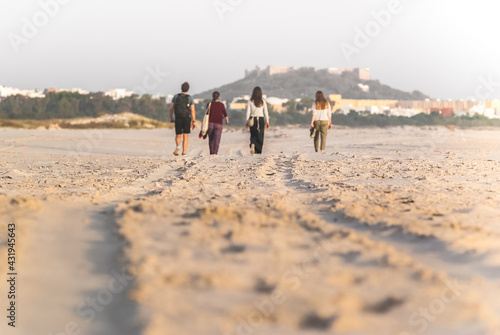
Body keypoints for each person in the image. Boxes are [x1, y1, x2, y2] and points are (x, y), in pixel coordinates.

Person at [169, 82, 196, 156]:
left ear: (181, 88)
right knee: (185, 135)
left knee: (178, 134)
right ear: (188, 89)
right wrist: (193, 121)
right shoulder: (190, 98)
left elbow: (171, 108)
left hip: (178, 117)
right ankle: (184, 152)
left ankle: (178, 146)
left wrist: (171, 118)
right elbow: (193, 110)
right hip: (187, 118)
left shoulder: (176, 97)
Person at [245, 87, 270, 155]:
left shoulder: (250, 101)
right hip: (261, 119)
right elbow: (266, 112)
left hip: (252, 119)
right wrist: (267, 121)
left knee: (253, 134)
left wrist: (247, 121)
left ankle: (252, 144)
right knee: (260, 135)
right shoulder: (263, 101)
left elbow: (248, 112)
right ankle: (258, 151)